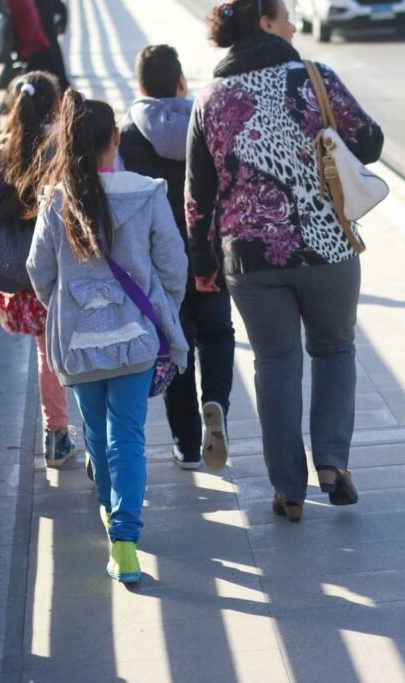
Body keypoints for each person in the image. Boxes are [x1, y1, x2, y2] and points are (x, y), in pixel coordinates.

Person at [186, 0, 383, 522]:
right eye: (287, 15)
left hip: (249, 258)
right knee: (334, 348)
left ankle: (288, 491)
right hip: (327, 246)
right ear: (266, 23)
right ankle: (333, 466)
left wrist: (203, 263)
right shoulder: (315, 78)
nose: (294, 24)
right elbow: (369, 142)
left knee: (274, 363)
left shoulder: (209, 99)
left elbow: (197, 197)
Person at [27, 92, 189, 583]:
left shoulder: (56, 201)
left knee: (96, 437)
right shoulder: (147, 193)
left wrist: (67, 305)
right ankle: (125, 540)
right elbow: (173, 264)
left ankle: (110, 513)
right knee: (129, 438)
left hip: (77, 343)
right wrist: (162, 307)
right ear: (115, 138)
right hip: (135, 337)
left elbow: (39, 271)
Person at [120, 44, 235, 472]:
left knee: (175, 344)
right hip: (210, 250)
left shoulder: (127, 135)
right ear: (181, 83)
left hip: (159, 261)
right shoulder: (206, 124)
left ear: (140, 86)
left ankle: (186, 446)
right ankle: (216, 402)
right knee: (218, 332)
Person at [0, 71, 76, 468]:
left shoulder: (3, 149)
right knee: (86, 348)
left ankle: (56, 435)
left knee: (47, 354)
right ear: (58, 104)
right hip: (71, 265)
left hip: (26, 276)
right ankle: (100, 435)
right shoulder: (66, 142)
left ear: (13, 107)